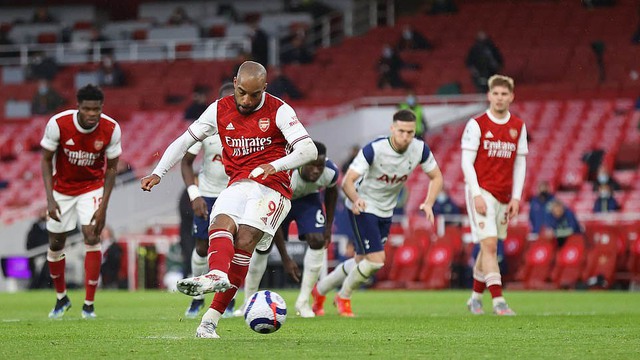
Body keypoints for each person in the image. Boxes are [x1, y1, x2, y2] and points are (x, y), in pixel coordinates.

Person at [140, 61, 317, 339]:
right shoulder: (218, 109)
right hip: (238, 184)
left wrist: (277, 165)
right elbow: (184, 142)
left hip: (273, 188)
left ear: (265, 89)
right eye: (242, 92)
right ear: (235, 83)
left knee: (244, 242)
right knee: (219, 224)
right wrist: (158, 172)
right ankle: (215, 278)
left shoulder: (279, 110)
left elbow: (309, 150)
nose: (247, 100)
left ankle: (210, 319)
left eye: (255, 94)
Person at [312, 109, 443, 317]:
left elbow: (436, 177)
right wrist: (356, 200)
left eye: (410, 132)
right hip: (363, 207)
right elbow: (347, 181)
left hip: (386, 211)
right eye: (401, 131)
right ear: (392, 128)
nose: (406, 137)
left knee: (360, 261)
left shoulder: (420, 149)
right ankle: (343, 297)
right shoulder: (374, 149)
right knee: (376, 260)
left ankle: (319, 291)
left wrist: (428, 202)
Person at [41, 84, 122, 319]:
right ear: (78, 107)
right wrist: (49, 199)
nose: (91, 114)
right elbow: (46, 160)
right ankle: (61, 298)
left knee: (91, 234)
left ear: (101, 108)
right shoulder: (58, 124)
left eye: (96, 109)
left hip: (92, 187)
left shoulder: (111, 128)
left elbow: (113, 168)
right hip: (61, 189)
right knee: (56, 243)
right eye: (87, 109)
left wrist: (104, 207)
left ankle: (88, 304)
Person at [237, 141, 339, 318]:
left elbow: (332, 193)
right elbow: (274, 226)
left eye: (320, 166)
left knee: (318, 240)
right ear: (302, 163)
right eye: (311, 165)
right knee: (263, 246)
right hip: (279, 198)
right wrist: (286, 258)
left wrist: (328, 227)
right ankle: (248, 301)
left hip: (308, 200)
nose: (316, 170)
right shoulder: (287, 174)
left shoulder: (330, 172)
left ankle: (303, 302)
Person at [461, 74, 527, 316]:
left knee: (489, 246)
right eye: (496, 94)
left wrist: (516, 197)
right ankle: (499, 302)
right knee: (489, 245)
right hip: (482, 191)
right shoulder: (476, 124)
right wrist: (476, 194)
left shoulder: (518, 126)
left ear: (511, 97)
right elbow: (466, 163)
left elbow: (520, 164)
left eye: (504, 94)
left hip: (503, 195)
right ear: (489, 96)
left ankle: (475, 298)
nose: (499, 98)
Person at [182, 83, 233, 319]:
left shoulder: (250, 130)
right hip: (208, 194)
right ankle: (197, 298)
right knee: (202, 247)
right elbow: (185, 162)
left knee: (232, 248)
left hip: (235, 194)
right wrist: (195, 195)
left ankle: (227, 299)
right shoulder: (206, 127)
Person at [26, 208, 51, 289]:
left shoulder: (53, 226)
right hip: (37, 255)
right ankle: (35, 286)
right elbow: (29, 244)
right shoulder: (34, 228)